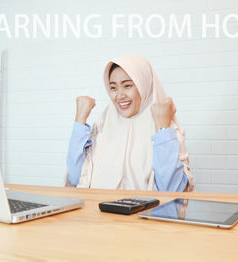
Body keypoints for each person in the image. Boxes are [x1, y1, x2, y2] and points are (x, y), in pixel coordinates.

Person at [65, 54, 194, 192]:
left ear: (144, 85)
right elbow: (75, 179)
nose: (120, 95)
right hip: (98, 212)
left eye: (127, 86)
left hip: (144, 213)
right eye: (113, 88)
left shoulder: (164, 125)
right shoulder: (103, 124)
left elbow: (172, 190)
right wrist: (79, 121)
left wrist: (163, 129)